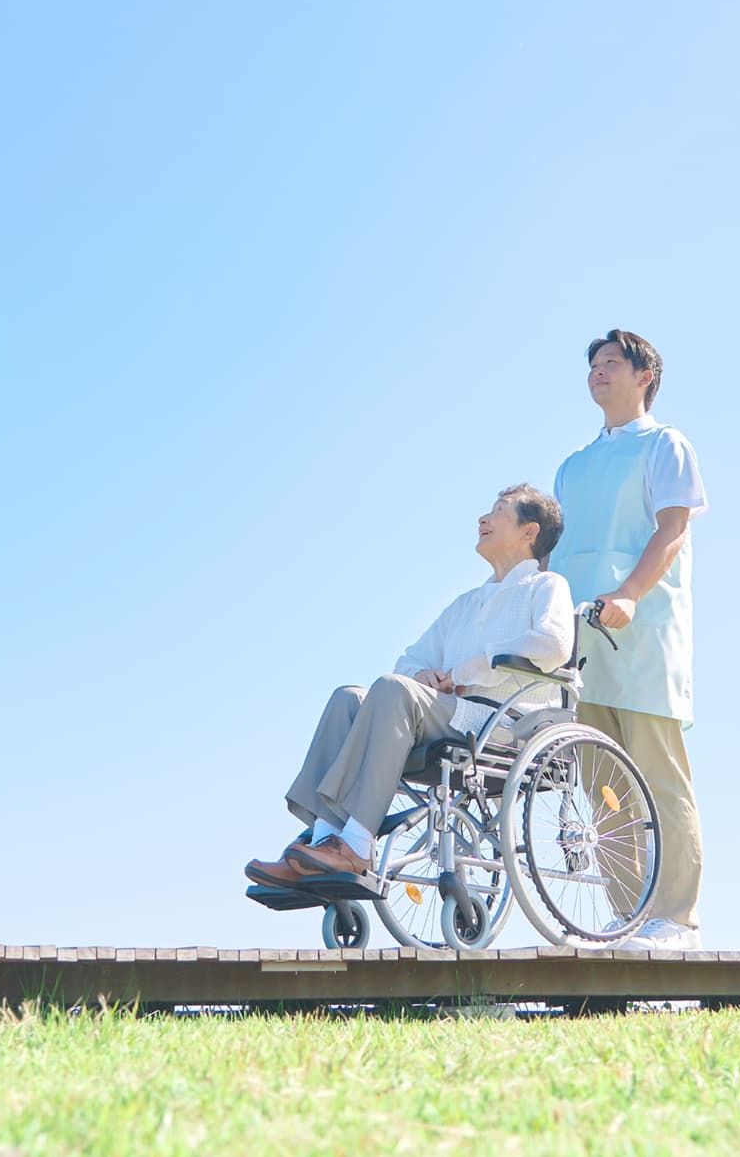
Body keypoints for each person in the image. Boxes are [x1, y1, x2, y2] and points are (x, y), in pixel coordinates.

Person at [247, 486, 574, 887]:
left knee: (394, 690)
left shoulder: (546, 586)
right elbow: (410, 660)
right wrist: (422, 675)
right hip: (451, 715)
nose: (483, 519)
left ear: (529, 531)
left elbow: (554, 644)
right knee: (348, 699)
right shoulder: (465, 604)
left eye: (499, 510)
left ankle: (357, 844)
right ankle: (321, 842)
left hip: (506, 725)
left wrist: (471, 668)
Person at [551, 329, 708, 951]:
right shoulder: (572, 466)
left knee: (659, 779)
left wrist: (630, 594)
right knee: (604, 785)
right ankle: (629, 918)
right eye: (594, 364)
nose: (598, 371)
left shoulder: (665, 444)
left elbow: (672, 529)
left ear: (645, 377)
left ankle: (676, 920)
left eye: (612, 363)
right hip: (578, 639)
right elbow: (554, 553)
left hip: (641, 632)